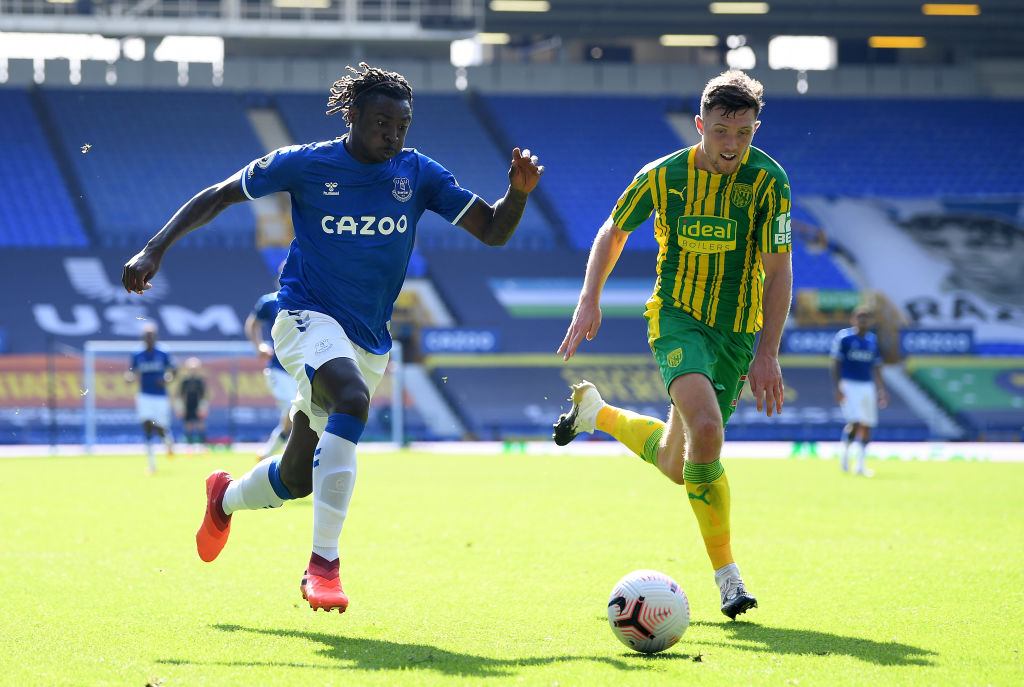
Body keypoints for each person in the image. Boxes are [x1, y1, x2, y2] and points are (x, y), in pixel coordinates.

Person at [121, 62, 544, 613]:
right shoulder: (306, 163)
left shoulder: (418, 174)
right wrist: (156, 247)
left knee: (296, 478)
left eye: (402, 125)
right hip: (304, 317)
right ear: (352, 116)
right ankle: (323, 566)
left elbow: (492, 231)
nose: (392, 135)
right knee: (352, 398)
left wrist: (518, 194)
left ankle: (224, 497)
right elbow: (222, 194)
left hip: (369, 340)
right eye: (381, 122)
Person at [553, 70, 792, 620]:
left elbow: (779, 270)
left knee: (677, 462)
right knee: (707, 430)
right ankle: (729, 578)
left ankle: (598, 414)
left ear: (756, 128)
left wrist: (767, 351)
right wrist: (590, 298)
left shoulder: (769, 181)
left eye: (744, 133)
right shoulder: (662, 177)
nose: (732, 145)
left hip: (736, 331)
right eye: (721, 131)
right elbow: (613, 231)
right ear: (700, 125)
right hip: (677, 317)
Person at [830, 306, 888, 476]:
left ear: (871, 322)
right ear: (853, 320)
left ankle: (861, 465)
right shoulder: (844, 338)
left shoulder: (872, 341)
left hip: (867, 385)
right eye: (860, 318)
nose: (863, 321)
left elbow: (876, 367)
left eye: (866, 318)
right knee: (855, 422)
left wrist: (881, 390)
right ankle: (845, 457)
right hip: (849, 384)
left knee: (868, 424)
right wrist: (838, 387)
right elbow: (835, 363)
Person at [245, 288, 298, 461]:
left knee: (297, 415)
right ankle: (291, 455)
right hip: (279, 368)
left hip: (302, 368)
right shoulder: (270, 302)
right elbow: (253, 324)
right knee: (294, 410)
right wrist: (258, 345)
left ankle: (269, 452)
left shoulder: (309, 298)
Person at [126, 324, 176, 473]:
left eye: (151, 335)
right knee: (147, 425)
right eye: (146, 336)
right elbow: (132, 372)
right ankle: (152, 465)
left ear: (156, 337)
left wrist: (166, 380)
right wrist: (129, 377)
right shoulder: (137, 354)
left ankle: (168, 441)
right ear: (143, 338)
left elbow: (173, 371)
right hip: (144, 395)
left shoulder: (164, 352)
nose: (149, 338)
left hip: (160, 397)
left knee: (161, 428)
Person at [176, 356, 209, 449]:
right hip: (187, 405)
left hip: (197, 405)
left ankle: (203, 443)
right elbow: (180, 394)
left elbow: (203, 395)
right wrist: (180, 407)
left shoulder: (199, 381)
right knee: (188, 423)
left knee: (200, 423)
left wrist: (202, 406)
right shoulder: (185, 381)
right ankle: (189, 443)